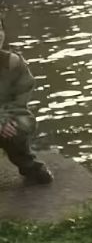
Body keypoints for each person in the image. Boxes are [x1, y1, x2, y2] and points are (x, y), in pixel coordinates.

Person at [0, 17, 53, 185]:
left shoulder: (13, 63)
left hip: (5, 118)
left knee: (21, 124)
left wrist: (4, 120)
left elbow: (20, 100)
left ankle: (27, 164)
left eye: (0, 28)